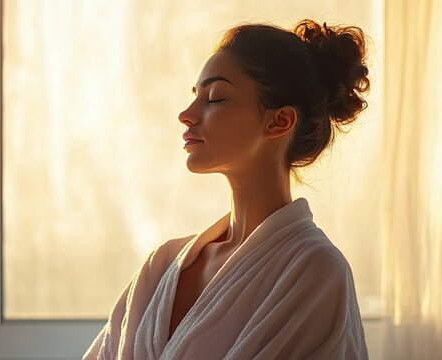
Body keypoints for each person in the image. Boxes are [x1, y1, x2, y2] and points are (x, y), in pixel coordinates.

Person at [84, 19, 370, 359]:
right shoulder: (162, 265)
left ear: (279, 121)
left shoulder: (315, 270)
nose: (186, 115)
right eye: (195, 96)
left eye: (216, 98)